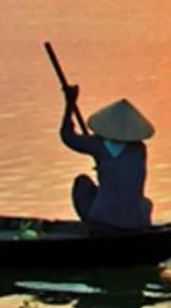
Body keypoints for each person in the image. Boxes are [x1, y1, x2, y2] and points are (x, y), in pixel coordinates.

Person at [61, 89, 154, 231]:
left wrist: (69, 104)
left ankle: (92, 228)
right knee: (143, 201)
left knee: (82, 183)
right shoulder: (139, 149)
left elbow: (68, 136)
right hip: (136, 221)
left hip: (104, 220)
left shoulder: (98, 145)